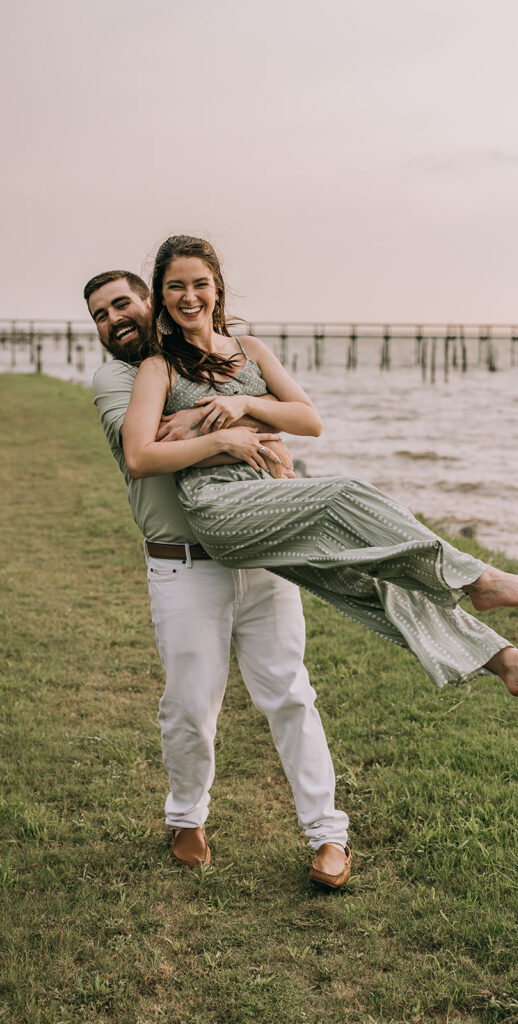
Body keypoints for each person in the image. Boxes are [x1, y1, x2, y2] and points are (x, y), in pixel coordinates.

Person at [122, 235, 518, 699]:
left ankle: (507, 663)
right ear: (161, 296)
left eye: (199, 284)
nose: (189, 297)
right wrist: (224, 438)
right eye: (175, 286)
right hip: (218, 506)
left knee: (369, 581)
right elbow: (140, 458)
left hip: (273, 495)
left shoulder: (251, 350)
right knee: (345, 491)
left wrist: (242, 402)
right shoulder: (159, 368)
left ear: (217, 288)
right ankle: (477, 578)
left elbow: (309, 419)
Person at [86, 270, 352, 889]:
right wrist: (233, 437)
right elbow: (144, 446)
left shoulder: (217, 357)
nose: (114, 319)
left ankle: (328, 835)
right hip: (183, 564)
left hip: (262, 553)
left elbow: (292, 423)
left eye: (122, 303)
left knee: (290, 694)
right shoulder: (119, 378)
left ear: (152, 301)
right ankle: (186, 818)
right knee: (189, 705)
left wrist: (239, 426)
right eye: (99, 315)